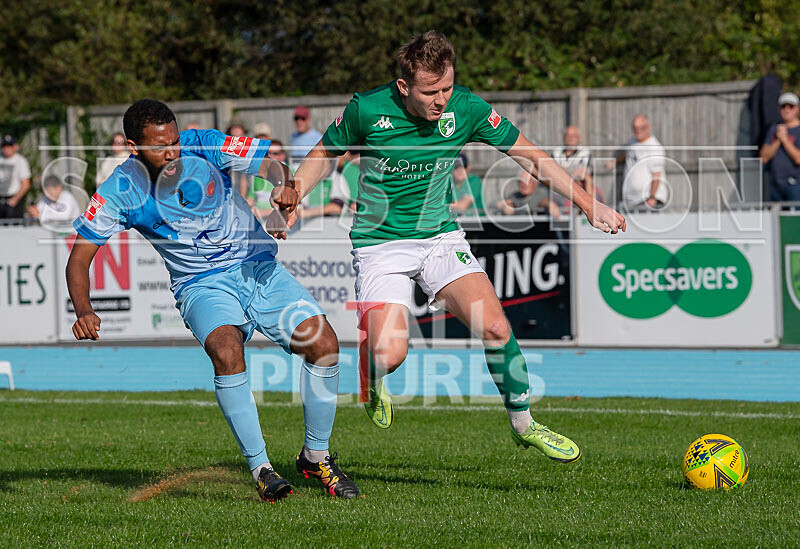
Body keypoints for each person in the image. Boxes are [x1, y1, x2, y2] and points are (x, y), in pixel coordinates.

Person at [271, 31, 625, 465]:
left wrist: (588, 203)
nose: (441, 100)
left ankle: (524, 424)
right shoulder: (367, 109)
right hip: (380, 244)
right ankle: (371, 376)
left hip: (440, 237)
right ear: (404, 87)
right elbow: (325, 153)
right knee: (389, 354)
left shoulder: (466, 107)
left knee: (496, 327)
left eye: (447, 88)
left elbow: (530, 155)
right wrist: (296, 193)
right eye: (430, 92)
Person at [66, 99, 359, 501]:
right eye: (160, 147)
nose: (172, 152)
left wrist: (281, 187)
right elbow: (79, 257)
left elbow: (271, 165)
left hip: (257, 267)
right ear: (133, 147)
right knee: (225, 350)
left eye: (174, 141)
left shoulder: (203, 144)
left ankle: (316, 457)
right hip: (200, 284)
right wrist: (84, 309)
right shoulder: (119, 190)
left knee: (323, 344)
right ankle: (262, 469)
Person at [606, 115, 667, 209]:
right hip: (632, 200)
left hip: (647, 200)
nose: (637, 131)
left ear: (647, 128)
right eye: (635, 128)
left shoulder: (654, 148)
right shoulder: (632, 142)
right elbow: (627, 153)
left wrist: (652, 197)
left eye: (641, 128)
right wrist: (615, 162)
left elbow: (657, 175)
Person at [760, 92, 800, 201]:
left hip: (796, 185)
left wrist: (785, 139)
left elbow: (798, 159)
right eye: (783, 106)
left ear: (797, 109)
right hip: (775, 185)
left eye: (791, 106)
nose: (787, 110)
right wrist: (778, 140)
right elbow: (764, 158)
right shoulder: (774, 129)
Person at [552, 125, 602, 203]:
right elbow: (553, 173)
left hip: (580, 186)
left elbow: (582, 173)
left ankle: (590, 205)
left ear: (579, 138)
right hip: (560, 189)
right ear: (564, 137)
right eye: (568, 135)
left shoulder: (585, 152)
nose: (571, 138)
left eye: (574, 135)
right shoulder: (556, 152)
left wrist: (563, 170)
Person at [493, 168, 560, 218]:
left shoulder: (542, 192)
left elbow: (542, 201)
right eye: (520, 181)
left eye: (527, 181)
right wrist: (505, 205)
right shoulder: (516, 195)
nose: (523, 184)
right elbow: (495, 203)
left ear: (535, 183)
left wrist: (550, 204)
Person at [0, 134, 32, 219]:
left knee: (14, 225)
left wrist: (14, 200)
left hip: (13, 202)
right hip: (1, 199)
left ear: (15, 147)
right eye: (4, 146)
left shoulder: (20, 161)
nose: (6, 148)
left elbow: (25, 184)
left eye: (9, 146)